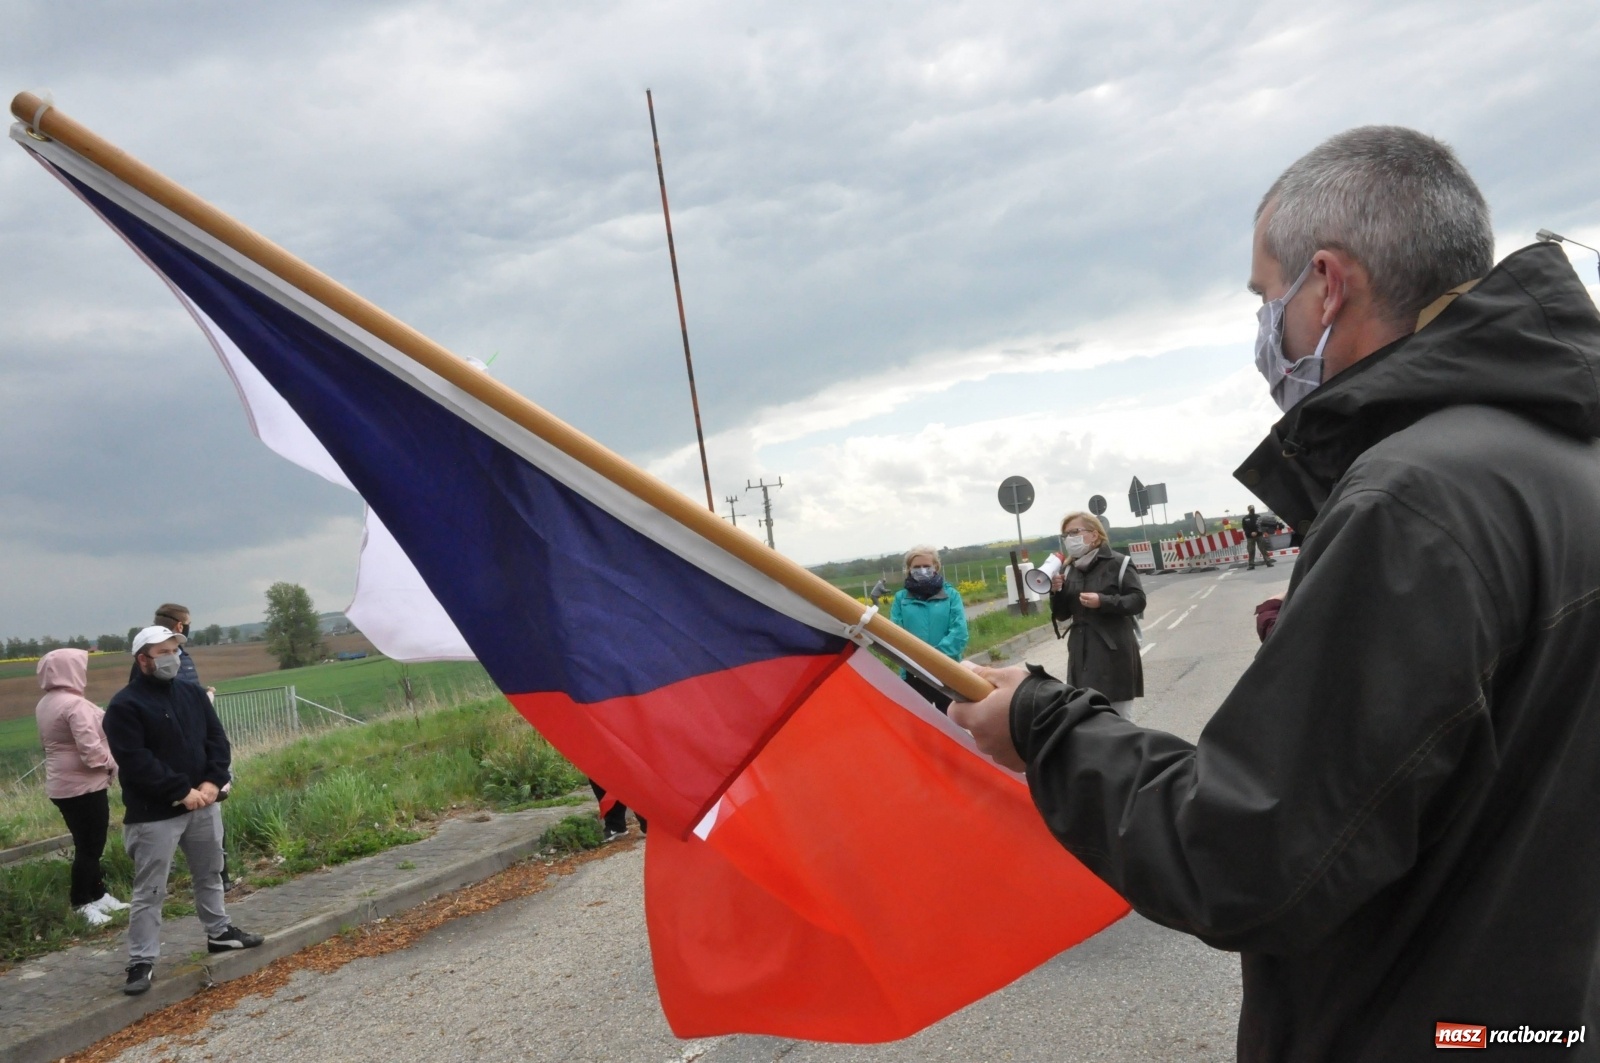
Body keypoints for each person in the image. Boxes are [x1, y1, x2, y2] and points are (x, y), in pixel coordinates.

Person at [951, 126, 1600, 1057]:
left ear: (1329, 285)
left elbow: (1253, 855)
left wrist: (1046, 729)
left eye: (1268, 298)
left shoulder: (1414, 501)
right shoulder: (1563, 458)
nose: (1267, 330)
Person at [103, 626, 261, 995]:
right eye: (164, 652)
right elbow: (135, 760)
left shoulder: (191, 693)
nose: (173, 657)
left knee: (210, 872)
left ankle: (219, 932)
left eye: (175, 650)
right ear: (143, 659)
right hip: (155, 814)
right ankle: (142, 960)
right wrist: (180, 791)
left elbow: (217, 740)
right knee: (151, 889)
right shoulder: (125, 706)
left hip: (204, 805)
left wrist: (211, 781)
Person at [35, 648, 128, 926]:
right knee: (90, 845)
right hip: (83, 786)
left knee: (87, 842)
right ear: (70, 671)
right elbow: (90, 752)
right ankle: (81, 902)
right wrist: (114, 763)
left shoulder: (47, 702)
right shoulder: (74, 705)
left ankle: (98, 894)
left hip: (62, 784)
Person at [1046, 512, 1145, 718]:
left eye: (1075, 532)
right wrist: (1057, 592)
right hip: (1081, 653)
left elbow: (1137, 600)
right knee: (1088, 718)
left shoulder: (1119, 563)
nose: (1070, 539)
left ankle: (1125, 751)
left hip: (1114, 651)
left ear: (1094, 535)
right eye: (1066, 535)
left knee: (1118, 718)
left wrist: (1103, 601)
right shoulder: (1069, 569)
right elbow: (1063, 615)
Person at [888, 545, 967, 712]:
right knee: (918, 728)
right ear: (908, 569)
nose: (922, 570)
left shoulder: (951, 595)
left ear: (936, 567)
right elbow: (894, 634)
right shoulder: (900, 599)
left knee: (952, 726)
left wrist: (934, 658)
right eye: (916, 567)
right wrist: (918, 658)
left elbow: (959, 632)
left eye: (926, 566)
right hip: (913, 672)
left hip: (947, 671)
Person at [1241, 504, 1275, 570]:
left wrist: (1257, 532)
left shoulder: (1258, 517)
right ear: (1248, 510)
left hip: (1259, 535)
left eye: (1253, 509)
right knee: (1251, 550)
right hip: (1250, 537)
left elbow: (1261, 525)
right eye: (1251, 509)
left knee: (1263, 549)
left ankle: (1268, 562)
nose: (1252, 510)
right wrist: (1251, 533)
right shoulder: (1245, 518)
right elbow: (1245, 528)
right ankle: (1251, 565)